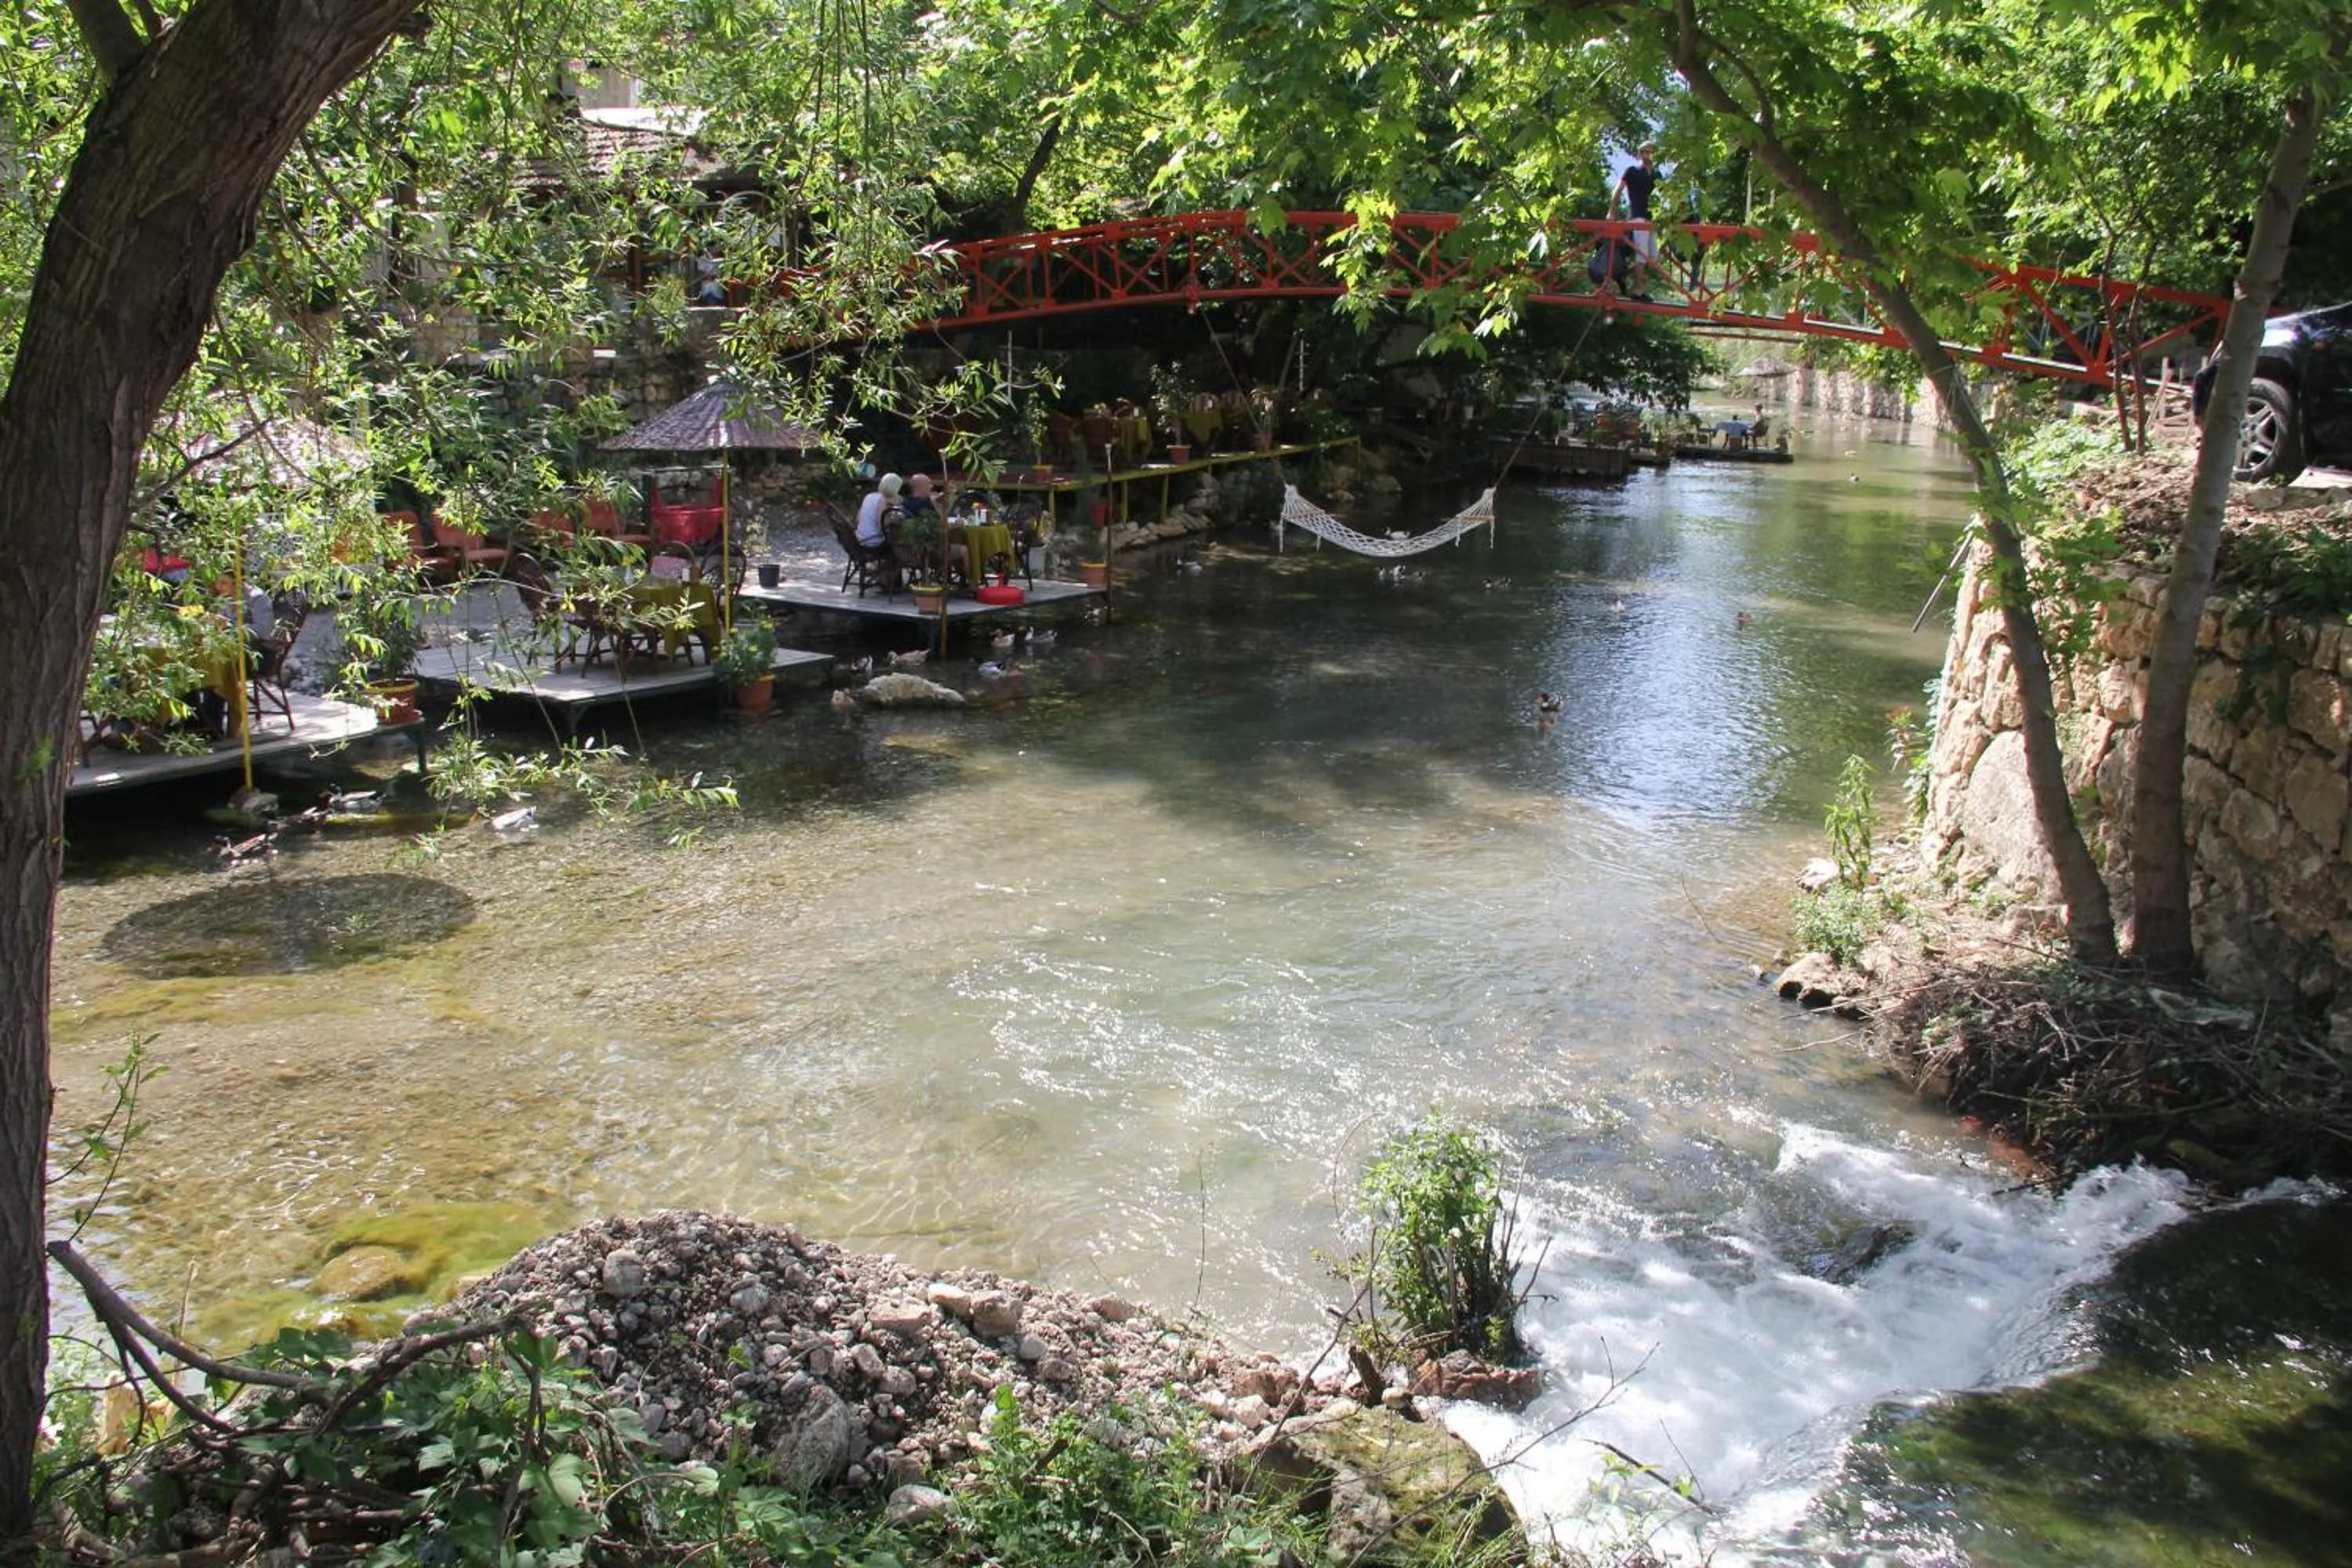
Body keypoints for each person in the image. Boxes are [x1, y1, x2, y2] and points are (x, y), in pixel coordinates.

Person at [1611, 141, 1661, 292]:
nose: (1648, 155)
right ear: (1640, 154)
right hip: (1637, 216)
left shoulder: (1657, 174)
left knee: (1653, 258)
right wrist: (1612, 210)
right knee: (1642, 255)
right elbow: (1618, 190)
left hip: (1652, 218)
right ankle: (1638, 289)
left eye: (1651, 152)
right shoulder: (1632, 171)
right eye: (1645, 151)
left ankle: (1623, 275)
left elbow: (1666, 194)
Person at [855, 471, 902, 549]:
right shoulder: (882, 501)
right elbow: (881, 525)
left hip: (860, 539)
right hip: (873, 542)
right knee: (897, 543)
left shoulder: (869, 496)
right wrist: (892, 519)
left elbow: (857, 519)